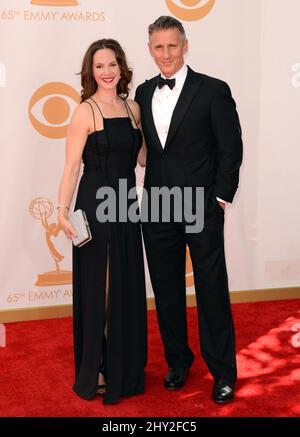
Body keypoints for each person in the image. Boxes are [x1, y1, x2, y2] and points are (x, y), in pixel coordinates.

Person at [135, 16, 243, 404]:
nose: (166, 53)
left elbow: (231, 148)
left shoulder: (213, 90)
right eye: (158, 47)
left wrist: (220, 197)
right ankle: (178, 361)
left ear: (185, 46)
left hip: (201, 205)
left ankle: (224, 372)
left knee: (211, 288)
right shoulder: (144, 93)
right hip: (158, 206)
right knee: (165, 289)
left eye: (172, 46)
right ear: (150, 50)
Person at [57, 39, 147, 405]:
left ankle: (122, 365)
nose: (107, 71)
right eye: (99, 66)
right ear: (90, 72)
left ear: (121, 68)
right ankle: (95, 365)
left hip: (126, 205)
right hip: (94, 205)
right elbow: (72, 166)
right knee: (102, 287)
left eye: (112, 64)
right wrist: (61, 210)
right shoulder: (85, 111)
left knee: (125, 283)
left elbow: (142, 158)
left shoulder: (134, 108)